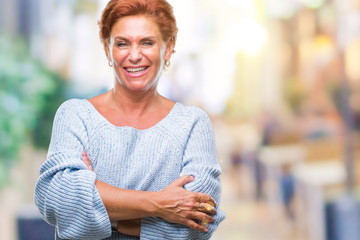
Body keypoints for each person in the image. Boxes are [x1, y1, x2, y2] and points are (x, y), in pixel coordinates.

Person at [34, 0, 225, 239]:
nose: (134, 55)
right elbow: (58, 201)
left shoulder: (192, 125)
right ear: (107, 48)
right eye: (122, 43)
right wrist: (159, 203)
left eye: (147, 42)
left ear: (168, 47)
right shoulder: (75, 116)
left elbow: (198, 221)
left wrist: (97, 206)